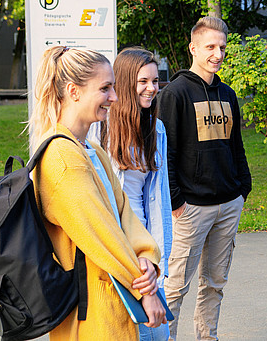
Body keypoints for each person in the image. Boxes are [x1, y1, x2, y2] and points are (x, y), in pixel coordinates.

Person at [28, 46, 167, 340]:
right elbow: (102, 234)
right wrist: (144, 289)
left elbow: (124, 215)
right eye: (105, 88)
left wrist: (146, 258)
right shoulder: (61, 157)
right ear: (74, 91)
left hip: (113, 304)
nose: (114, 97)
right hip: (92, 315)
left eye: (113, 87)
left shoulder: (92, 150)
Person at [156, 16, 252, 341]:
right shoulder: (174, 94)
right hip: (191, 208)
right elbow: (164, 152)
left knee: (214, 284)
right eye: (210, 46)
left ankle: (207, 337)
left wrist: (243, 189)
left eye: (222, 47)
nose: (218, 53)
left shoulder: (228, 94)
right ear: (193, 48)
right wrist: (176, 202)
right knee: (176, 287)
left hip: (228, 204)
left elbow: (235, 146)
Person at [87, 47, 172, 341]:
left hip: (144, 243)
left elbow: (159, 200)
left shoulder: (156, 129)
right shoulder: (97, 130)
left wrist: (159, 255)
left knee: (158, 333)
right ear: (124, 83)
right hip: (114, 245)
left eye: (155, 81)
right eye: (143, 82)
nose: (152, 88)